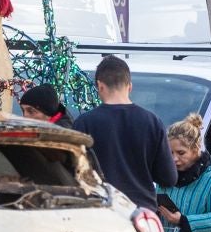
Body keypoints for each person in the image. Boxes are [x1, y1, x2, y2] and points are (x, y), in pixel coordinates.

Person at [73, 55, 175, 214]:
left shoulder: (84, 123)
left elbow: (74, 173)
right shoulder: (152, 122)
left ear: (100, 86)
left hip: (100, 211)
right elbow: (168, 178)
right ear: (130, 86)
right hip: (141, 214)